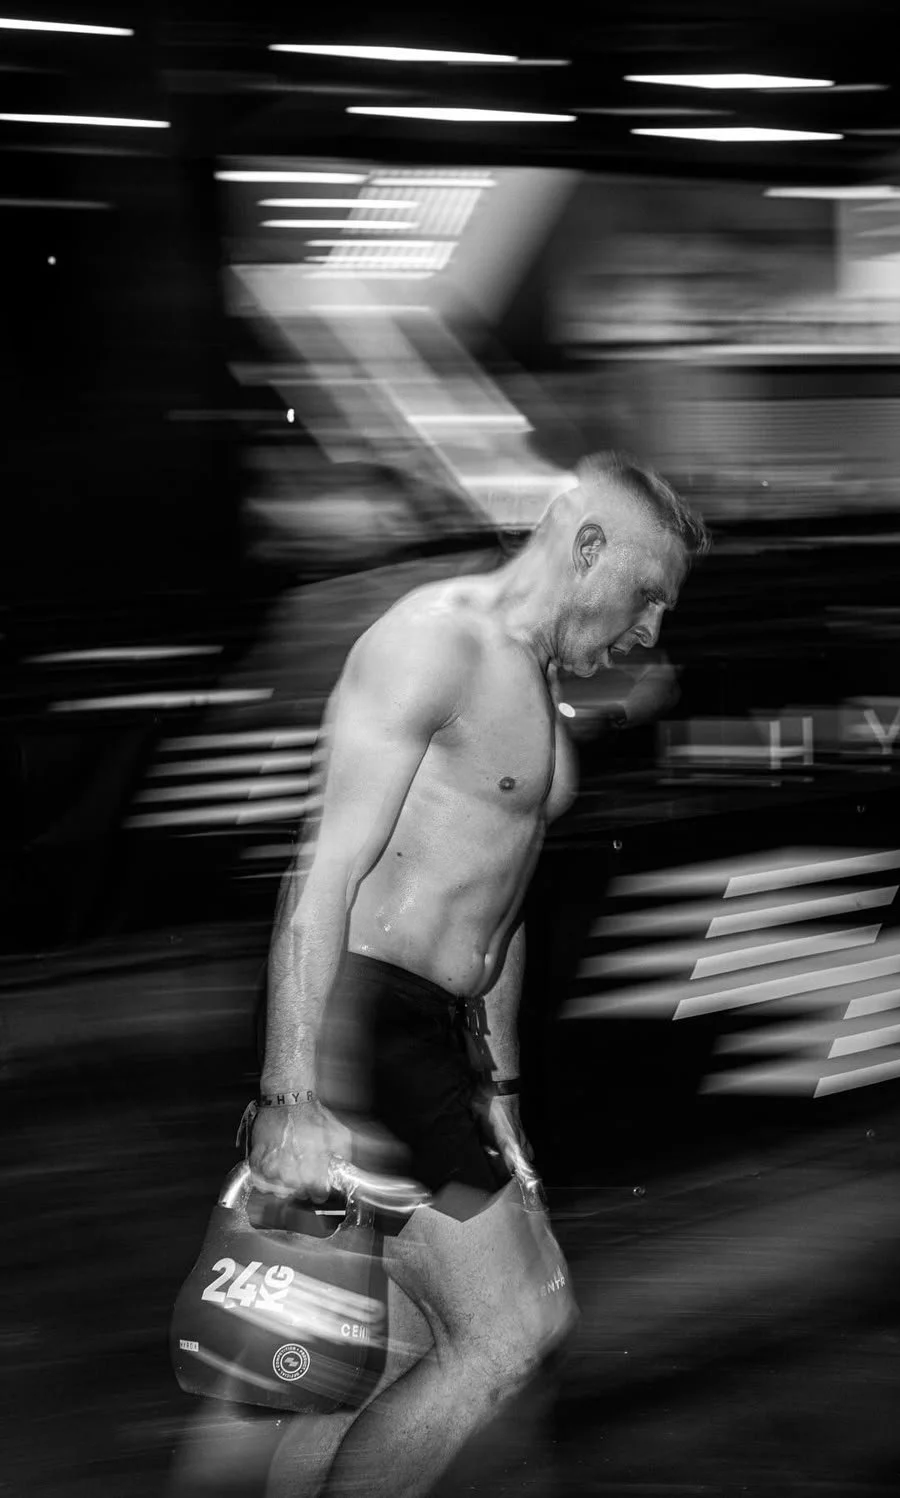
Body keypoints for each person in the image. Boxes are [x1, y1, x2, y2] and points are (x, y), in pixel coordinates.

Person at [233, 451, 709, 1498]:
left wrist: (500, 1086)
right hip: (366, 1029)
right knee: (512, 1328)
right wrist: (290, 1092)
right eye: (645, 596)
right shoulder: (434, 641)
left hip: (434, 1041)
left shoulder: (536, 677)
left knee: (384, 1356)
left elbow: (500, 907)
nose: (648, 631)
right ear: (588, 547)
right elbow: (322, 872)